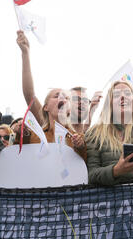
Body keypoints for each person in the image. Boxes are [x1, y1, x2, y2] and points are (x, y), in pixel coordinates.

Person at [16, 30, 87, 160]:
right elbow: (29, 94)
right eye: (56, 96)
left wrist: (80, 147)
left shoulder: (77, 138)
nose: (62, 99)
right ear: (45, 107)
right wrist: (25, 53)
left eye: (66, 98)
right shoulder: (35, 134)